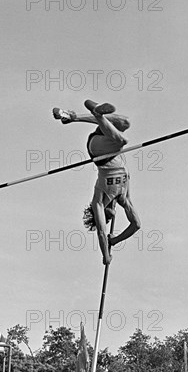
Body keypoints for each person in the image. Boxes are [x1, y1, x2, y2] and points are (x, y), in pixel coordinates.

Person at [53, 100, 141, 265]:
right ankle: (73, 117)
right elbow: (136, 225)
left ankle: (94, 114)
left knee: (122, 142)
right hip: (107, 145)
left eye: (107, 218)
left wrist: (105, 256)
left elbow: (101, 232)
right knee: (125, 123)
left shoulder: (98, 202)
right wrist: (114, 241)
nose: (111, 216)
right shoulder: (123, 198)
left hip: (98, 151)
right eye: (108, 219)